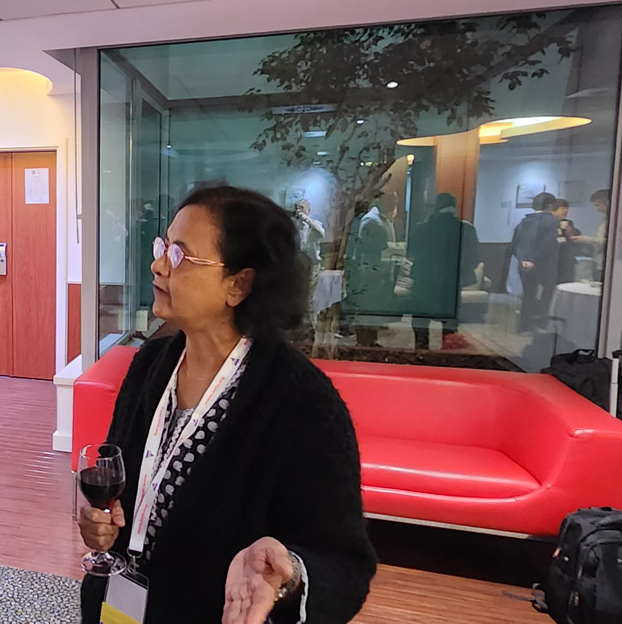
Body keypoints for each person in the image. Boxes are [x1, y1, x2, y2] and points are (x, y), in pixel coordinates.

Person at [78, 185, 376, 624]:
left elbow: (345, 564)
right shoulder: (149, 365)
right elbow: (118, 475)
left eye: (179, 255)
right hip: (121, 606)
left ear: (239, 285)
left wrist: (287, 576)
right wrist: (101, 520)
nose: (157, 265)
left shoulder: (303, 403)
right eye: (163, 246)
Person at [408, 193, 480, 350]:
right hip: (450, 284)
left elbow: (411, 252)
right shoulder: (466, 229)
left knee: (420, 322)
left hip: (424, 282)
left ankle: (421, 352)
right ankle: (447, 355)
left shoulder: (423, 228)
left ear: (436, 207)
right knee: (449, 325)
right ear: (455, 207)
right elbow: (474, 258)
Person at [346, 194, 396, 347]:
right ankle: (364, 341)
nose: (395, 203)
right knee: (366, 306)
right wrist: (390, 248)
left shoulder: (382, 218)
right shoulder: (371, 220)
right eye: (391, 199)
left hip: (378, 268)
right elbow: (366, 244)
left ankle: (371, 340)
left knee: (373, 306)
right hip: (370, 268)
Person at [508, 191, 561, 332]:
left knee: (528, 294)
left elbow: (515, 244)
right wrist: (534, 260)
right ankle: (541, 322)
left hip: (523, 264)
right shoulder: (552, 221)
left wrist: (524, 260)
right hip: (544, 264)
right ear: (550, 205)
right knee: (547, 293)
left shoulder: (524, 221)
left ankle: (524, 324)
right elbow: (548, 244)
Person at [572, 189, 610, 278]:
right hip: (598, 260)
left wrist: (585, 239)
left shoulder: (612, 220)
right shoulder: (605, 218)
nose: (597, 208)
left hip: (604, 261)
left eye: (598, 205)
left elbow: (606, 242)